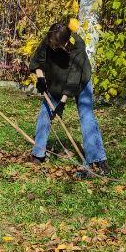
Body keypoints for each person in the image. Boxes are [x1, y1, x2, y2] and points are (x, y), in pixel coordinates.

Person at [28, 20, 107, 174]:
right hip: (55, 81)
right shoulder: (50, 39)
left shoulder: (77, 45)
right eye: (50, 43)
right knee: (45, 113)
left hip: (80, 81)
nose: (51, 46)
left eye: (55, 45)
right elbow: (37, 61)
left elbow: (74, 78)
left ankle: (97, 159)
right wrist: (41, 79)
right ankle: (38, 154)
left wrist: (62, 103)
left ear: (64, 43)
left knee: (86, 116)